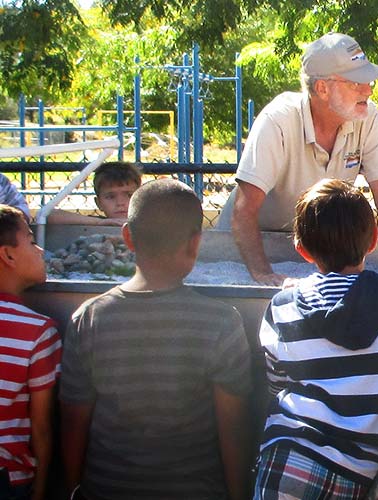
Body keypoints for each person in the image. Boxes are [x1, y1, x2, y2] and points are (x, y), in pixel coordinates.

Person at [60, 179, 252, 500]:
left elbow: (73, 421)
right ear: (196, 243)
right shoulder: (221, 322)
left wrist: (72, 489)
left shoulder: (89, 318)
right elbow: (232, 429)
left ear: (127, 238)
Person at [254, 178, 378, 500]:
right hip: (359, 469)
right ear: (374, 239)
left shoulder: (283, 305)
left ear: (302, 250)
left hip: (291, 457)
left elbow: (277, 382)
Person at [216, 32, 378, 286]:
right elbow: (244, 210)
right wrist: (263, 274)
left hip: (318, 251)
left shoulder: (368, 117)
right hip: (249, 249)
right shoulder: (278, 120)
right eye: (356, 82)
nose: (369, 90)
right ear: (322, 88)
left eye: (368, 80)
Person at [0, 204, 62, 500]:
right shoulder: (37, 332)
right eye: (30, 239)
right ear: (7, 254)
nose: (40, 251)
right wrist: (40, 491)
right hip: (8, 479)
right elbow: (41, 429)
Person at [48, 161, 142, 225]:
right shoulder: (99, 223)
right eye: (110, 197)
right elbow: (48, 215)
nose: (120, 203)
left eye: (129, 195)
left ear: (141, 198)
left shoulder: (150, 223)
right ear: (99, 203)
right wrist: (99, 223)